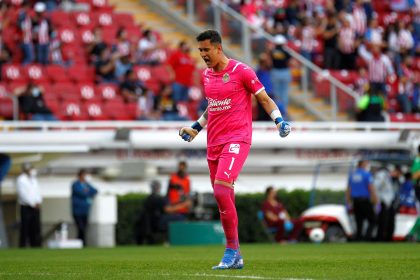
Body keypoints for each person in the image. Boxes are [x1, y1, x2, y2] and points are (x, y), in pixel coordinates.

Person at [179, 30, 290, 270]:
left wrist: (279, 120)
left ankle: (230, 250)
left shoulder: (242, 71)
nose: (203, 55)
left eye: (206, 50)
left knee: (220, 191)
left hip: (237, 139)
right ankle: (236, 255)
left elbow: (264, 98)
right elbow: (213, 107)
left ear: (218, 48)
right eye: (200, 51)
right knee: (224, 197)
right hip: (213, 143)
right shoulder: (207, 75)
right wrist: (196, 128)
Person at [136, 180, 192, 244]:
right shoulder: (157, 198)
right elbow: (168, 210)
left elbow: (167, 205)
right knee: (180, 217)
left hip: (151, 222)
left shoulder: (149, 198)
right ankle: (177, 240)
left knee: (177, 217)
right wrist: (184, 205)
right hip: (157, 222)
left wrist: (179, 202)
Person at [346, 160, 378, 241]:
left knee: (359, 221)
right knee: (372, 220)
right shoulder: (367, 174)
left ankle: (358, 238)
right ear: (363, 164)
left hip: (355, 201)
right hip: (365, 200)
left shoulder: (352, 175)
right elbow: (371, 188)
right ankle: (367, 237)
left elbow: (348, 189)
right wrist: (376, 201)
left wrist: (348, 202)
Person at [16, 163, 42, 247]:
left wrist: (38, 201)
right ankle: (23, 245)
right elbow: (23, 194)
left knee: (35, 227)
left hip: (36, 206)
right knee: (25, 227)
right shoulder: (21, 179)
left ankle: (35, 245)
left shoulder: (34, 179)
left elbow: (38, 192)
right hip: (26, 207)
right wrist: (32, 203)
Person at [71, 169, 98, 246]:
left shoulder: (87, 184)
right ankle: (81, 243)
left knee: (84, 228)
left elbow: (95, 190)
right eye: (84, 175)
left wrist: (87, 191)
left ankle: (81, 243)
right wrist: (87, 192)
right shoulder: (75, 185)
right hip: (77, 210)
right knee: (80, 228)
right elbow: (82, 193)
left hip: (85, 210)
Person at [373, 165, 395, 241]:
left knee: (386, 221)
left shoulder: (385, 175)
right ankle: (382, 238)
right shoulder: (383, 174)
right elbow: (376, 186)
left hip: (386, 200)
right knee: (383, 221)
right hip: (384, 201)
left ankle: (385, 237)